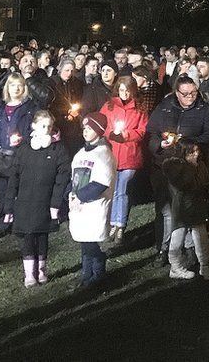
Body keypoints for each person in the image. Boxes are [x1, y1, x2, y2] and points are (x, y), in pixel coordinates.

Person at [146, 76, 209, 264]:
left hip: (189, 168)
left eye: (193, 92)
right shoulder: (164, 107)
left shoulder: (204, 109)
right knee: (165, 211)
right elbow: (151, 132)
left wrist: (191, 146)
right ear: (176, 93)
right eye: (185, 94)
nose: (190, 97)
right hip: (163, 166)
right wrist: (159, 144)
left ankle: (190, 248)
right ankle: (164, 249)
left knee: (187, 209)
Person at [4, 111, 71, 287]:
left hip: (45, 201)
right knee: (28, 236)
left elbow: (63, 176)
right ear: (34, 126)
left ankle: (41, 270)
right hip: (25, 202)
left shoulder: (57, 150)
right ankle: (29, 274)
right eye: (43, 126)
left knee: (42, 236)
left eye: (49, 126)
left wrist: (56, 203)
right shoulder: (24, 149)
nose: (47, 129)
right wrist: (9, 206)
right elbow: (14, 177)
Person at [68, 112, 117, 288]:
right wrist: (72, 194)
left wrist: (80, 196)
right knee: (85, 241)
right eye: (84, 128)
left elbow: (102, 182)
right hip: (80, 205)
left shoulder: (104, 154)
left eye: (90, 128)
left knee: (90, 242)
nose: (85, 131)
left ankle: (97, 273)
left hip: (94, 205)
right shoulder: (82, 152)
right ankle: (86, 274)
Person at [0, 73, 38, 238]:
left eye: (19, 85)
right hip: (2, 155)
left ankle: (20, 222)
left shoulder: (31, 107)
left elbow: (36, 129)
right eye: (12, 85)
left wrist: (24, 139)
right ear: (7, 87)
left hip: (22, 154)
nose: (16, 88)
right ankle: (3, 223)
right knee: (1, 190)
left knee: (20, 190)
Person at [99, 76, 148, 243]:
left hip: (130, 155)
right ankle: (112, 223)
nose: (124, 94)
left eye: (127, 90)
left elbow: (142, 131)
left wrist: (127, 135)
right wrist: (110, 133)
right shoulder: (109, 106)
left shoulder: (140, 109)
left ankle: (120, 224)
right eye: (121, 90)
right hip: (113, 154)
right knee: (113, 190)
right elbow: (102, 125)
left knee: (123, 189)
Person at [162, 141, 209, 280]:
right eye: (192, 152)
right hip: (182, 208)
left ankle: (204, 266)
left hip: (197, 205)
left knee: (201, 238)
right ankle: (176, 267)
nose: (196, 154)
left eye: (197, 151)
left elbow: (204, 182)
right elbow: (183, 185)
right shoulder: (176, 168)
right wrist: (191, 167)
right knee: (177, 238)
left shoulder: (200, 165)